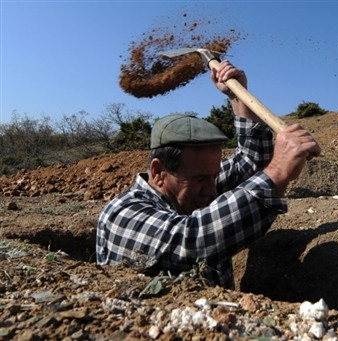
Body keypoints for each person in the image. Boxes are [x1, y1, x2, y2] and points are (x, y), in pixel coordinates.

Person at [96, 60, 321, 289]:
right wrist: (279, 171)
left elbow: (251, 161)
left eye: (213, 176)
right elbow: (192, 240)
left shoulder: (195, 187)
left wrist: (237, 95)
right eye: (200, 179)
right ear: (158, 172)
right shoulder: (122, 215)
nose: (212, 191)